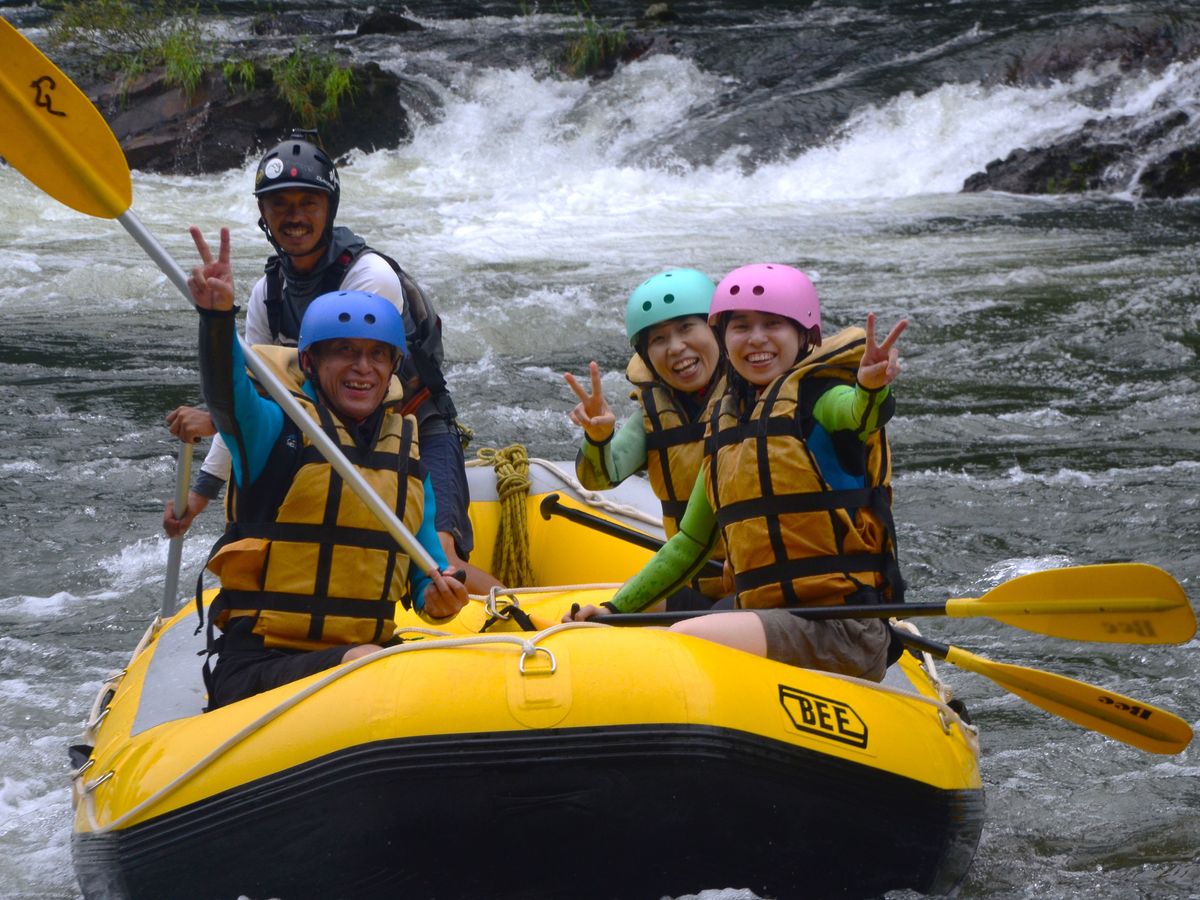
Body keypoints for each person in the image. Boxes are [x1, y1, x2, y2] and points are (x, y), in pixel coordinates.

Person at [163, 129, 500, 594]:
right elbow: (254, 389)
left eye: (308, 203)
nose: (294, 216)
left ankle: (523, 614)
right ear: (263, 214)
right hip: (326, 442)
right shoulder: (270, 292)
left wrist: (216, 420)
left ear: (329, 208)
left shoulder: (369, 276)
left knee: (440, 553)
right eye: (280, 204)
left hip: (412, 430)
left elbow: (320, 389)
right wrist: (203, 490)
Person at [566, 263, 907, 682]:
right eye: (740, 326)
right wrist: (616, 611)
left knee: (683, 640)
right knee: (634, 627)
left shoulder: (822, 398)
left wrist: (872, 387)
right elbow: (689, 543)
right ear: (724, 338)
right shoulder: (726, 430)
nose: (756, 338)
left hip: (839, 628)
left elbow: (858, 416)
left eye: (773, 324)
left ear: (804, 335)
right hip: (763, 612)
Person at [187, 226, 469, 709]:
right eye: (345, 351)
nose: (364, 368)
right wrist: (216, 320)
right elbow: (227, 395)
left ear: (394, 366)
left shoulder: (406, 453)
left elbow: (426, 572)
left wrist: (437, 597)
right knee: (364, 662)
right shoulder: (277, 429)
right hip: (260, 665)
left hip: (365, 657)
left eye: (378, 354)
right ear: (313, 362)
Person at [563, 268, 728, 609]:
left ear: (718, 331)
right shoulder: (653, 417)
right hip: (690, 576)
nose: (676, 347)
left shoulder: (756, 403)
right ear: (646, 357)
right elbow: (598, 477)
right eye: (658, 339)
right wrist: (598, 437)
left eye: (686, 328)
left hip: (759, 582)